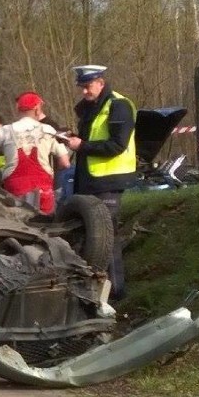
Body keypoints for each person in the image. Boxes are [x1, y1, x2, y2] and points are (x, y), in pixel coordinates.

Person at [66, 65, 136, 301]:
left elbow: (117, 145)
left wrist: (81, 146)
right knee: (90, 236)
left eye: (88, 86)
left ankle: (116, 293)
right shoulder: (91, 108)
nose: (84, 92)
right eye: (82, 87)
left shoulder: (118, 105)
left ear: (100, 82)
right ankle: (94, 291)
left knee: (107, 237)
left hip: (109, 181)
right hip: (89, 181)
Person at [0, 92, 70, 214]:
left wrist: (1, 151)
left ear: (17, 110)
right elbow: (65, 163)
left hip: (15, 188)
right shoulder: (48, 130)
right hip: (43, 188)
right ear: (37, 109)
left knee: (19, 225)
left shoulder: (6, 131)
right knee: (46, 225)